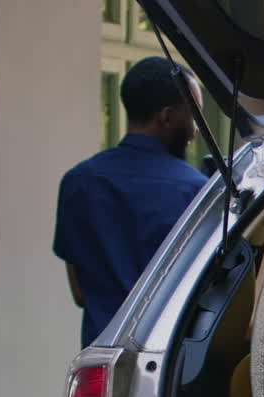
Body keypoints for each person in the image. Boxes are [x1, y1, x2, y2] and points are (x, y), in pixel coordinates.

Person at [53, 56, 208, 347]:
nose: (197, 129)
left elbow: (79, 292)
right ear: (167, 117)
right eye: (195, 115)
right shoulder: (197, 192)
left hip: (100, 360)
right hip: (169, 363)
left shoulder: (78, 181)